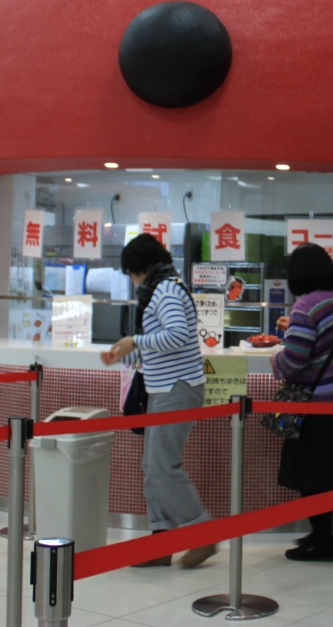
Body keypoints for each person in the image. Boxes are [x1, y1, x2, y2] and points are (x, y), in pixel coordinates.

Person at [101, 234, 216, 569]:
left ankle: (203, 534)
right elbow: (166, 342)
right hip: (165, 388)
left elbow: (177, 335)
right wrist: (129, 351)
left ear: (140, 267)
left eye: (130, 271)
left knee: (163, 467)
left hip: (175, 389)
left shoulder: (165, 290)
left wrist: (134, 341)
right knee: (153, 467)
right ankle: (160, 542)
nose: (131, 278)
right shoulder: (165, 286)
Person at [272, 243, 333, 562]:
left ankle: (324, 542)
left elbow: (294, 359)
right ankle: (321, 533)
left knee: (311, 476)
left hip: (318, 407)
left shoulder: (305, 306)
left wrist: (275, 361)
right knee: (329, 474)